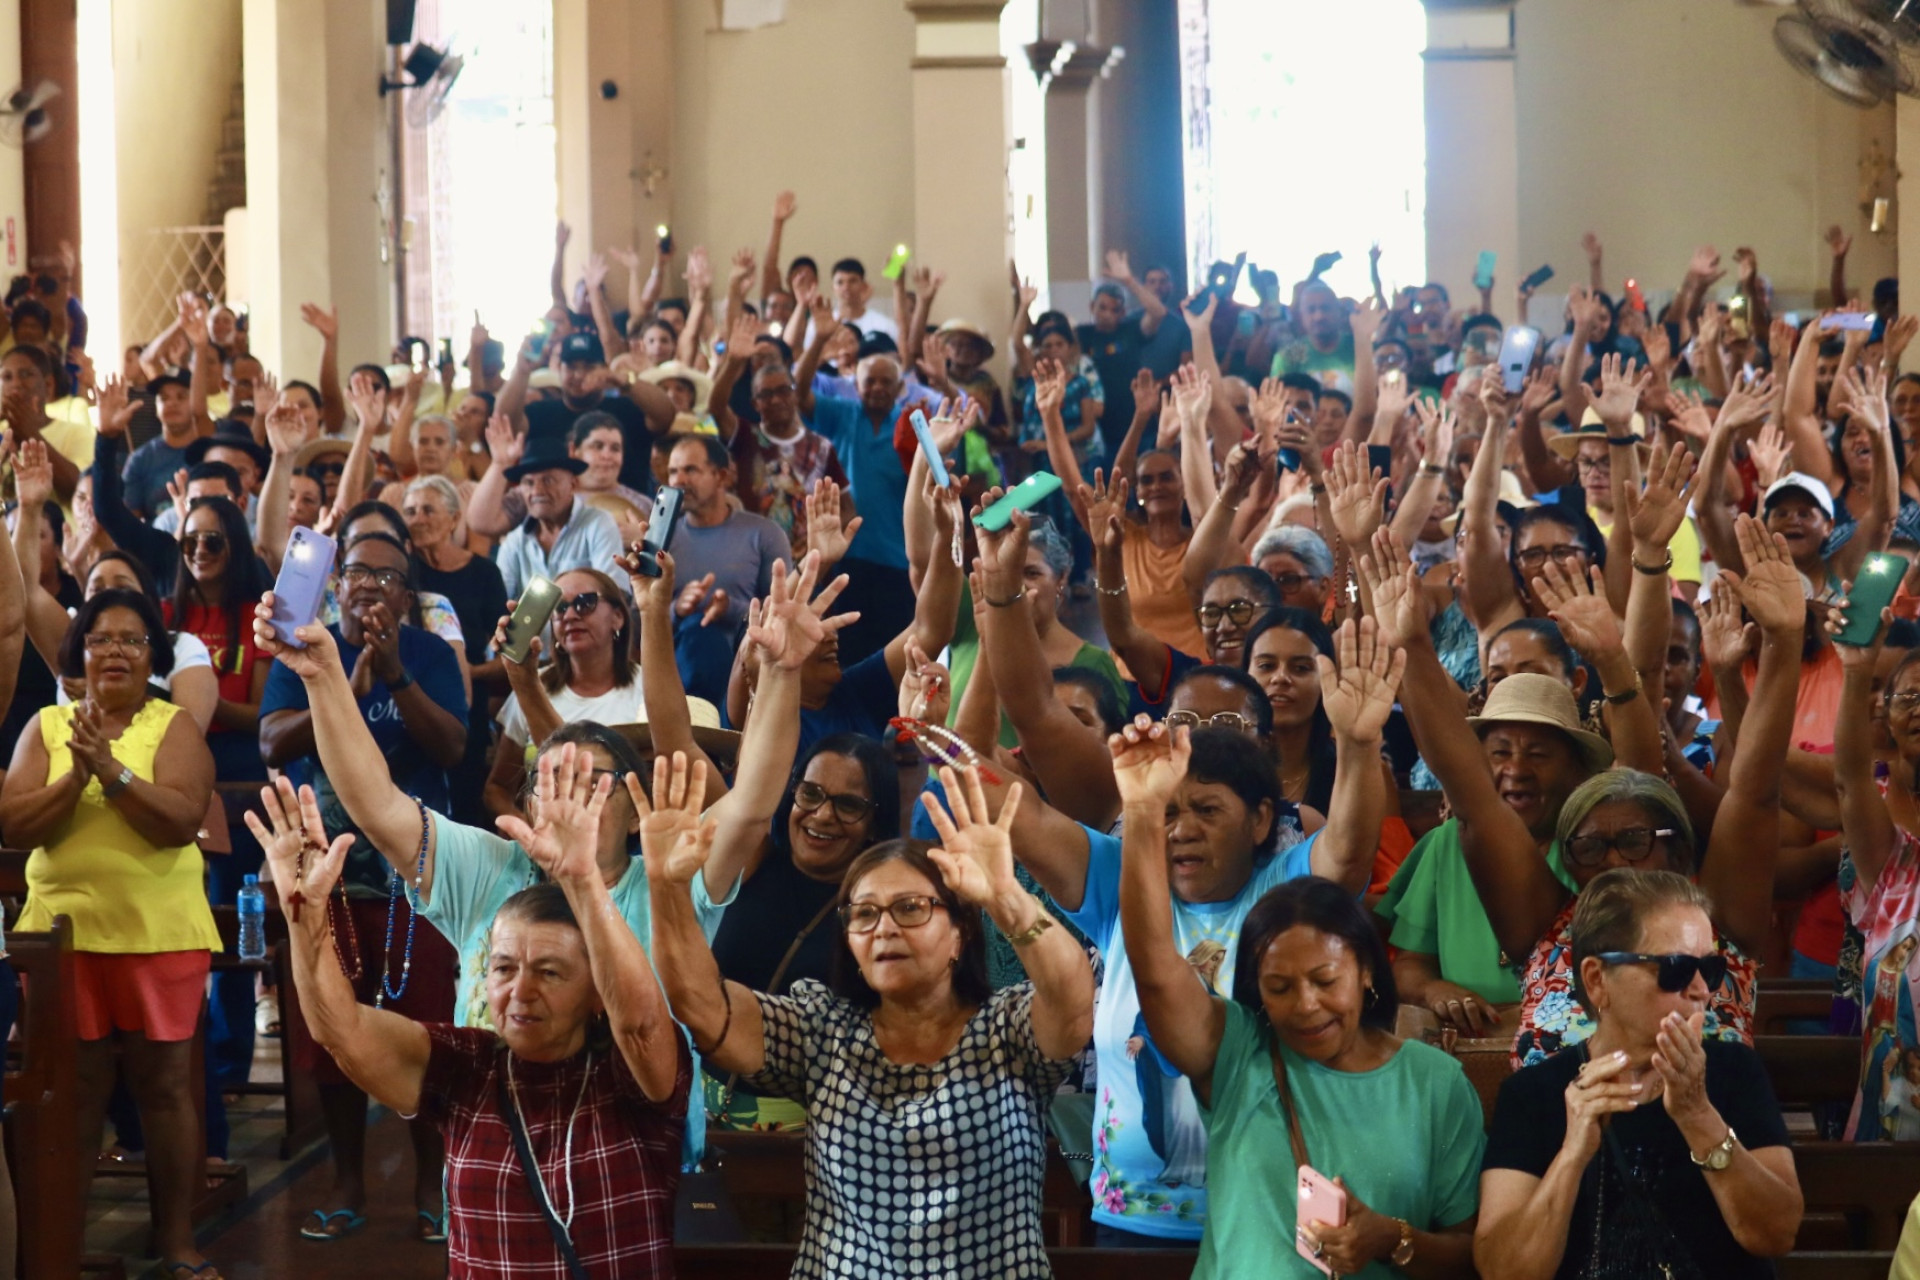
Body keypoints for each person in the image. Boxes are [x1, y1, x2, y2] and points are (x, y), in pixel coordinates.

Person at [253, 551, 845, 1173]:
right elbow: (377, 804)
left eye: (588, 784)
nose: (563, 802)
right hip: (497, 1159)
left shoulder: (669, 877)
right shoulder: (492, 871)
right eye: (546, 782)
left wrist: (780, 672)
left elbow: (751, 805)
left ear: (634, 804)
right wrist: (322, 677)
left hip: (635, 1163)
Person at [989, 604, 1394, 1245]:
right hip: (1130, 1223)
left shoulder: (1286, 887)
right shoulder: (1121, 876)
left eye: (1206, 809)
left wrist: (1359, 743)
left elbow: (1346, 849)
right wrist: (939, 713)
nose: (1181, 830)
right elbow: (1013, 811)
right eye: (1168, 810)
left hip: (1266, 1219)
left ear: (1261, 820)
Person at [1370, 511, 1802, 1067]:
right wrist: (1412, 644)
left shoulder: (1718, 924)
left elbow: (1756, 791)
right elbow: (1472, 792)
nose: (1614, 860)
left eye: (1635, 841)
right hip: (1556, 1151)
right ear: (1569, 862)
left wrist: (1784, 641)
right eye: (1591, 847)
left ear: (1675, 849)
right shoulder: (1546, 928)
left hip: (1701, 1147)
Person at [248, 746, 690, 1279]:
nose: (519, 991)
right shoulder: (467, 1065)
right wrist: (306, 921)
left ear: (598, 992)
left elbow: (641, 1025)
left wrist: (582, 880)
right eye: (503, 968)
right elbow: (340, 1031)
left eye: (549, 972)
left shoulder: (634, 1075)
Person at [647, 763, 1093, 1277]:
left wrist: (1005, 899)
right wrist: (666, 886)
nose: (883, 929)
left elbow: (1073, 1003)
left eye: (910, 908)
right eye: (863, 913)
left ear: (960, 933)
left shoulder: (1006, 1029)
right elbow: (703, 1007)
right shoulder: (823, 1030)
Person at [1113, 718, 1482, 1278]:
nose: (1306, 1005)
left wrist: (1392, 1238)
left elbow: (1471, 1255)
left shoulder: (1435, 1083)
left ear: (1365, 972)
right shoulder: (1236, 1052)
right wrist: (1142, 812)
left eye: (1325, 981)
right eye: (1278, 987)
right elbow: (1157, 971)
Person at [0, 590, 222, 1280]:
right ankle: (60, 1246)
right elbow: (15, 826)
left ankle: (178, 1241)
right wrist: (79, 770)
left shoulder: (173, 723)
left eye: (131, 640)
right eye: (100, 640)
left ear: (152, 656)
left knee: (163, 1091)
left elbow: (181, 820)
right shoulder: (45, 725)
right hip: (62, 937)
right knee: (75, 1091)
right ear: (79, 654)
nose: (115, 651)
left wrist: (114, 771)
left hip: (158, 931)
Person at [258, 530, 469, 1240]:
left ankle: (430, 1187)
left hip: (420, 880)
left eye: (388, 576)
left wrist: (398, 679)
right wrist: (339, 693)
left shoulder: (432, 655)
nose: (370, 585)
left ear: (410, 596)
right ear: (335, 584)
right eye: (356, 572)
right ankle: (347, 1181)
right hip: (330, 878)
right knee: (333, 1042)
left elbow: (451, 746)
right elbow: (270, 742)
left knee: (429, 1033)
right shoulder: (304, 649)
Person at [1477, 871, 1803, 1278]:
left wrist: (1698, 1116)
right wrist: (1572, 1155)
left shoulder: (1734, 1072)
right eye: (1676, 968)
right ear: (1597, 979)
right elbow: (1503, 1272)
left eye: (1710, 969)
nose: (1702, 989)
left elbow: (1777, 1235)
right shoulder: (1534, 1094)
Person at [404, 474, 509, 825]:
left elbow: (508, 653)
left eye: (427, 509)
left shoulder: (484, 573)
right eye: (410, 511)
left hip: (468, 707)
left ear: (453, 519)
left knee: (463, 810)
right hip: (408, 701)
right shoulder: (402, 575)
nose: (417, 518)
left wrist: (465, 671)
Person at [662, 432, 794, 704]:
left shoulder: (764, 534)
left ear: (721, 476)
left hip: (746, 674)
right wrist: (677, 608)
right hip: (673, 677)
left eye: (691, 470)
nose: (679, 481)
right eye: (673, 472)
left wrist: (730, 609)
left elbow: (783, 616)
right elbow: (636, 620)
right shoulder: (661, 538)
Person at [491, 430, 630, 599]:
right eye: (528, 482)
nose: (537, 491)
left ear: (573, 484)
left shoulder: (599, 523)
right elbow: (498, 603)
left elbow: (615, 594)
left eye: (548, 480)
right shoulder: (515, 542)